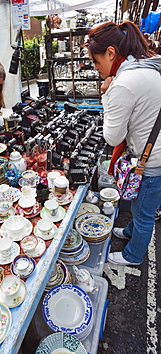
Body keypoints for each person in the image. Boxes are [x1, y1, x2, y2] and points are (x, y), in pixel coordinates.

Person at [87, 21, 161, 266]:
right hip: (155, 151)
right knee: (139, 206)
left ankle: (133, 255)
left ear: (111, 52)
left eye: (97, 61)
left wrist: (106, 94)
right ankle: (130, 231)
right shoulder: (146, 67)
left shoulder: (124, 83)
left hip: (154, 162)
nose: (97, 68)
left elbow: (112, 137)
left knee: (143, 213)